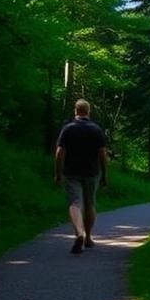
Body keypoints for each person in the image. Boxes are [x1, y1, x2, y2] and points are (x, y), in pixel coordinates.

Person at [54, 99, 108, 254]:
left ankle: (79, 232)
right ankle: (89, 237)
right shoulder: (96, 129)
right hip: (91, 173)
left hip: (71, 172)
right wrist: (104, 174)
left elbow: (59, 153)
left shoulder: (68, 129)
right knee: (90, 203)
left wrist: (57, 173)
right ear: (88, 111)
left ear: (75, 111)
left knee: (75, 203)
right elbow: (102, 154)